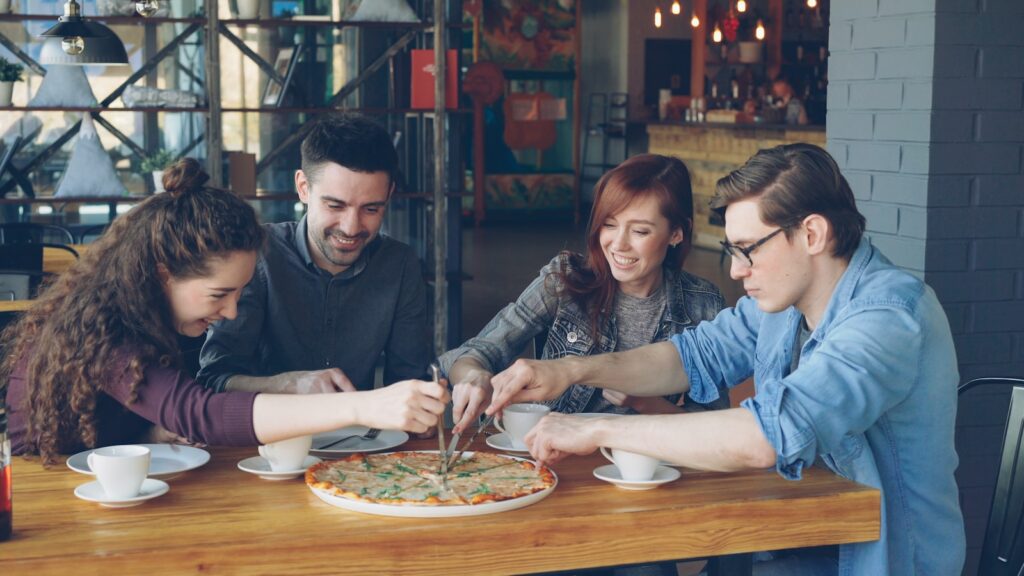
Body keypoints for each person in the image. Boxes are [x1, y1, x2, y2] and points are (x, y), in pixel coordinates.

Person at [484, 144, 965, 575]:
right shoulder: (779, 302)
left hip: (867, 559)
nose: (736, 270)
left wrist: (594, 427)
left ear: (812, 233)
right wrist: (567, 370)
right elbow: (688, 356)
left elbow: (766, 437)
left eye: (747, 250)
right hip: (782, 537)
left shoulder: (888, 316)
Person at [1, 159, 447, 464]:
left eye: (238, 294)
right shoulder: (109, 330)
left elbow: (122, 418)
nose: (231, 312)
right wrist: (364, 406)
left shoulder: (149, 310)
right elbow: (201, 413)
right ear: (163, 274)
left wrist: (149, 434)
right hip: (43, 491)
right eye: (219, 295)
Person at [439, 154, 728, 436]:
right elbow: (472, 353)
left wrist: (642, 401)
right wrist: (474, 377)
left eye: (640, 231)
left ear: (677, 233)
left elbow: (715, 428)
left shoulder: (702, 305)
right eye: (609, 224)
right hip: (550, 457)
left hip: (639, 466)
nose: (618, 244)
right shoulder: (567, 278)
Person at [198, 113, 431, 395]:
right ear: (303, 188)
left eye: (371, 209)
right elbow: (214, 378)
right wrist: (288, 384)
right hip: (267, 435)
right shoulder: (257, 255)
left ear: (389, 194)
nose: (351, 227)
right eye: (335, 206)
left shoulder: (400, 265)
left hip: (362, 438)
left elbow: (408, 384)